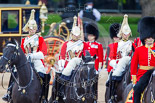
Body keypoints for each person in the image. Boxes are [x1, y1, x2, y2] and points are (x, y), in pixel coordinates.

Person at [21, 9, 50, 103]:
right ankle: (9, 92)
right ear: (27, 29)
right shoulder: (24, 40)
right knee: (15, 72)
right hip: (25, 60)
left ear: (35, 29)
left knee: (44, 75)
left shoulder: (40, 39)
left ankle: (44, 97)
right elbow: (21, 52)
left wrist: (32, 56)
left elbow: (44, 52)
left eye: (33, 29)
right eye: (30, 28)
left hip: (37, 60)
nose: (31, 30)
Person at [107, 14, 136, 97]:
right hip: (118, 65)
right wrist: (115, 64)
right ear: (121, 34)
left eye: (127, 34)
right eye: (124, 34)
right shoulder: (116, 45)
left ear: (130, 33)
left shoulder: (132, 44)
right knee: (112, 78)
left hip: (130, 65)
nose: (126, 35)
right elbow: (111, 58)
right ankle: (112, 95)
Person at [131, 17, 155, 103]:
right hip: (142, 74)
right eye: (148, 37)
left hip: (154, 72)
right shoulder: (138, 49)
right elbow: (133, 65)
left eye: (152, 36)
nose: (150, 38)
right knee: (137, 89)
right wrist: (134, 79)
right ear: (144, 38)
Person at [85, 23, 103, 100]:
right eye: (89, 35)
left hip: (94, 66)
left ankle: (95, 97)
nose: (89, 37)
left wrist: (98, 68)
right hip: (86, 66)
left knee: (94, 84)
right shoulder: (85, 44)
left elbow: (100, 57)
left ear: (94, 36)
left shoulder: (98, 45)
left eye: (91, 35)